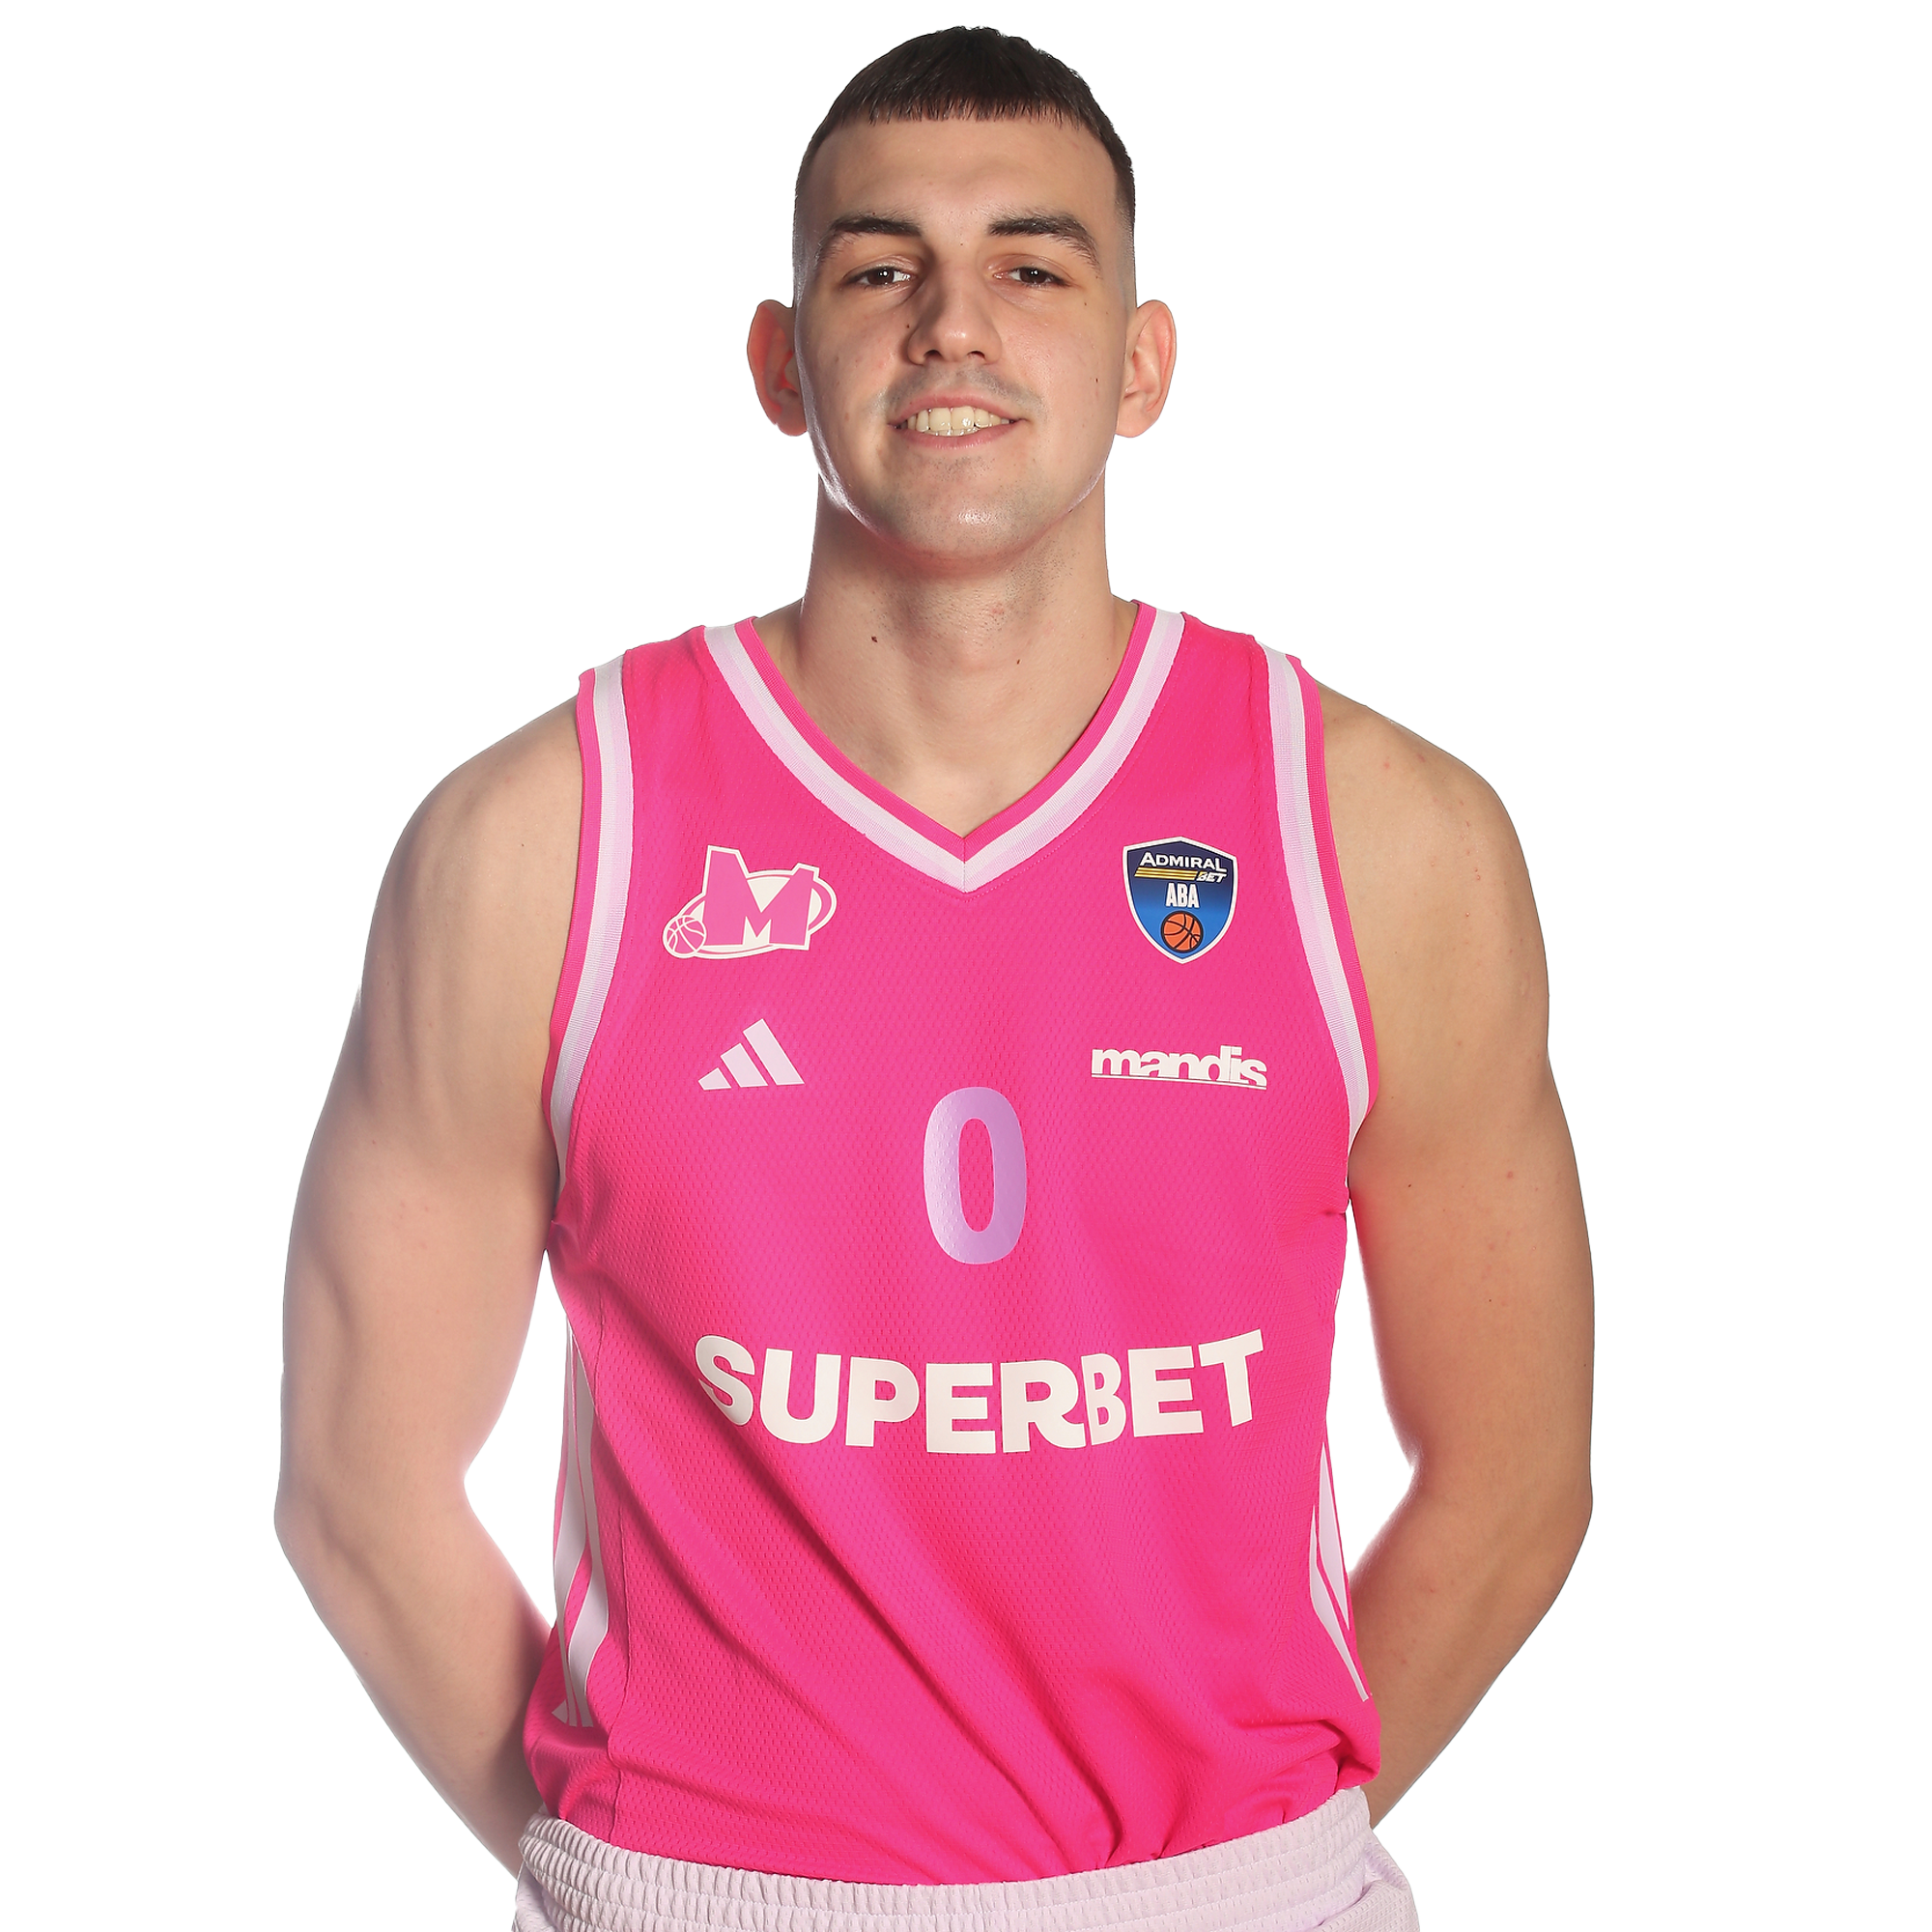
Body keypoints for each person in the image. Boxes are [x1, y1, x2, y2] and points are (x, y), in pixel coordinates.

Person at [278, 26, 1591, 1931]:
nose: (952, 325)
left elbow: (1515, 1476)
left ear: (1141, 363)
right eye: (878, 267)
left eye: (1032, 268)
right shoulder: (542, 845)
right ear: (775, 361)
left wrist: (1257, 1856)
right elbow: (357, 1486)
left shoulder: (1384, 843)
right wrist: (628, 1876)